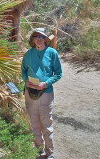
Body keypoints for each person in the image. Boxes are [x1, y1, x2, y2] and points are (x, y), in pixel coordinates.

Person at [21, 28, 62, 159]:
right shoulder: (28, 54)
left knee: (46, 123)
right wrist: (26, 81)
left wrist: (46, 83)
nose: (38, 38)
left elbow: (58, 73)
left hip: (46, 92)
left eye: (41, 36)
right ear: (32, 39)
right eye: (36, 36)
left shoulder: (52, 53)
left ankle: (50, 154)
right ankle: (38, 150)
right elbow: (23, 71)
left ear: (45, 39)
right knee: (34, 122)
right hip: (30, 92)